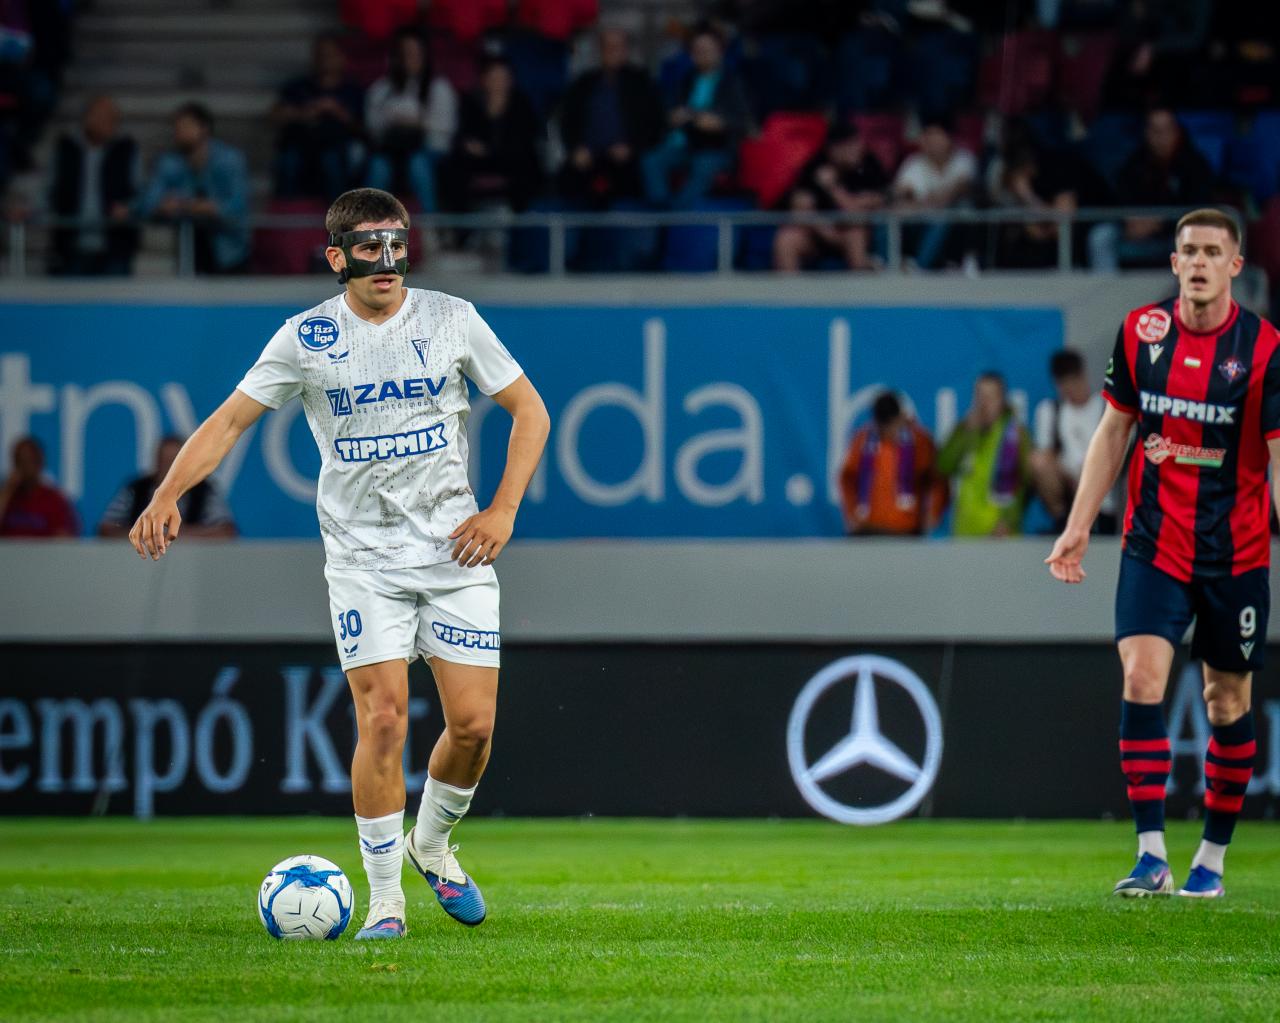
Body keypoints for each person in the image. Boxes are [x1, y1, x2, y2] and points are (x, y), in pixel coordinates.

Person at [126, 188, 550, 939]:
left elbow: (531, 411)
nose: (387, 259)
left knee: (474, 727)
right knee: (382, 719)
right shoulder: (307, 337)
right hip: (363, 560)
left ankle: (432, 844)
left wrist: (503, 510)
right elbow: (229, 421)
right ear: (336, 257)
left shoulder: (451, 319)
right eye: (369, 246)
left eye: (397, 244)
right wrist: (167, 494)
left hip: (453, 549)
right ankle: (386, 902)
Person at [1046, 208, 1279, 899]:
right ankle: (1151, 854)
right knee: (1142, 677)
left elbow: (1278, 455)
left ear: (1236, 266)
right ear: (1174, 263)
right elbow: (1114, 430)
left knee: (1226, 701)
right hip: (1155, 543)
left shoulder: (1265, 348)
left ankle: (1211, 859)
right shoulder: (1141, 333)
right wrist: (1078, 524)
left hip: (1236, 553)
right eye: (1189, 251)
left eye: (1212, 251)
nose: (1199, 262)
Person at [641, 24, 751, 208]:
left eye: (707, 50)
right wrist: (673, 117)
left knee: (703, 164)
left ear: (720, 51)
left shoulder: (733, 81)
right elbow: (671, 112)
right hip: (688, 144)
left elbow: (744, 122)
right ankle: (661, 209)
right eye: (697, 51)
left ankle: (679, 214)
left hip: (719, 148)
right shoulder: (687, 79)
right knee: (652, 160)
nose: (702, 55)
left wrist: (720, 123)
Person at [1090, 109, 1214, 271]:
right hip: (1137, 232)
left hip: (1174, 233)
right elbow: (1120, 200)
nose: (1160, 137)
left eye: (1166, 130)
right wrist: (1129, 221)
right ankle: (1106, 287)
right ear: (1146, 133)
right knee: (1101, 236)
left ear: (1177, 133)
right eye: (1155, 131)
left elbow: (1198, 208)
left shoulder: (1195, 165)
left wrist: (1160, 224)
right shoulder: (1134, 164)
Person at [134, 102, 250, 274]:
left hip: (230, 252)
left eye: (185, 126)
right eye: (176, 127)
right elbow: (147, 204)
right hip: (190, 253)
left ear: (204, 128)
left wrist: (207, 208)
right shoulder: (169, 163)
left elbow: (238, 205)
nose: (179, 131)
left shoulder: (229, 160)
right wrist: (161, 206)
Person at [557, 26, 664, 207]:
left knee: (628, 184)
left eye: (618, 47)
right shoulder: (584, 83)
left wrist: (632, 147)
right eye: (608, 47)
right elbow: (568, 121)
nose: (613, 51)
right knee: (566, 183)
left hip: (626, 158)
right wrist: (576, 149)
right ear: (600, 50)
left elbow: (655, 123)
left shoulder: (641, 82)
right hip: (588, 156)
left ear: (626, 50)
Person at [363, 28, 457, 214]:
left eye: (415, 53)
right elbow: (372, 127)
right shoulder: (381, 89)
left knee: (418, 164)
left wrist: (417, 124)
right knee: (377, 166)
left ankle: (430, 222)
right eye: (405, 53)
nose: (410, 58)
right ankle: (369, 225)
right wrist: (393, 123)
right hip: (391, 150)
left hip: (429, 150)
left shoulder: (439, 87)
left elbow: (446, 128)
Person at [774, 122, 887, 273]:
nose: (856, 149)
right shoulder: (815, 166)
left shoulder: (869, 166)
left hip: (856, 234)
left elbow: (856, 212)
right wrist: (828, 234)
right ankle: (790, 287)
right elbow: (800, 208)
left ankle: (862, 281)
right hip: (819, 232)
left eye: (856, 143)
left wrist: (833, 188)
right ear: (832, 149)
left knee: (855, 232)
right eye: (848, 146)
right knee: (786, 239)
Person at [46, 94, 139, 276]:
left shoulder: (126, 150)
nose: (107, 123)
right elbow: (48, 189)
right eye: (101, 116)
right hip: (71, 245)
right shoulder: (66, 148)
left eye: (112, 118)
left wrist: (130, 207)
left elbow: (140, 192)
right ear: (87, 118)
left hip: (115, 248)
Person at [1029, 349, 1116, 534]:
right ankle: (1062, 519)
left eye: (1074, 381)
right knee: (1038, 461)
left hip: (1102, 490)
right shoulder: (1050, 410)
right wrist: (1071, 476)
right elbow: (1046, 456)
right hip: (1069, 489)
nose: (1070, 388)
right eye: (1063, 383)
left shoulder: (1106, 408)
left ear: (1083, 376)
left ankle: (1099, 518)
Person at [272, 33, 366, 201]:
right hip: (301, 145)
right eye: (320, 55)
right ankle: (286, 213)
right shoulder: (297, 87)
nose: (324, 60)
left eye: (330, 55)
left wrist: (337, 111)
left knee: (332, 161)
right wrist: (305, 113)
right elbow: (276, 115)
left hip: (337, 147)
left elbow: (363, 128)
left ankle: (338, 213)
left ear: (341, 58)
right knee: (288, 160)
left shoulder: (353, 90)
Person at [936, 371, 1031, 536]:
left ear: (1002, 400)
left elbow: (1026, 483)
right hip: (965, 531)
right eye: (980, 396)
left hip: (999, 533)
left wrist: (1008, 520)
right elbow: (943, 466)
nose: (984, 404)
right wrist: (963, 433)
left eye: (991, 397)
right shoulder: (964, 430)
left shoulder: (1015, 435)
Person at [443, 58, 543, 212]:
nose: (499, 82)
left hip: (510, 158)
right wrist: (470, 145)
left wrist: (492, 150)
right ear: (484, 80)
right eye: (494, 77)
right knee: (454, 166)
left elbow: (525, 139)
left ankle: (518, 217)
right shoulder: (471, 102)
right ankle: (460, 222)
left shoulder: (521, 104)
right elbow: (463, 135)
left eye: (503, 77)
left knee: (525, 165)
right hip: (478, 159)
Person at [838, 391, 942, 536]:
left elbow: (937, 479)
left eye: (891, 425)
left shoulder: (919, 441)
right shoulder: (863, 440)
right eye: (883, 426)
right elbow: (847, 478)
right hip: (867, 529)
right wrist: (851, 514)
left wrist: (933, 512)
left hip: (906, 530)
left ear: (900, 418)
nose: (888, 432)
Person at [97, 435, 235, 539]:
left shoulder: (204, 491)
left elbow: (226, 531)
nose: (170, 469)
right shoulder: (136, 490)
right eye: (165, 462)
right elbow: (106, 529)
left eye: (175, 462)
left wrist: (175, 536)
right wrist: (145, 537)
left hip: (193, 563)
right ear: (156, 463)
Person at [891, 116, 977, 270]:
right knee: (890, 219)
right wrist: (921, 204)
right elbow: (901, 196)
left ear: (949, 139)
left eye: (936, 137)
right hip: (920, 225)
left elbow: (955, 192)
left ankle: (922, 267)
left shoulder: (964, 160)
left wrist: (927, 203)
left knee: (948, 215)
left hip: (956, 227)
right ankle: (890, 266)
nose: (931, 142)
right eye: (927, 137)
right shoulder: (913, 163)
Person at [0, 436, 78, 538]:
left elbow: (64, 537)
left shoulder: (54, 500)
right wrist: (7, 491)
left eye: (31, 461)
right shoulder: (6, 496)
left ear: (40, 462)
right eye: (21, 461)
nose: (26, 467)